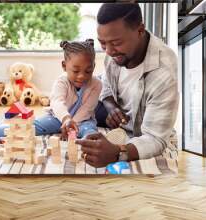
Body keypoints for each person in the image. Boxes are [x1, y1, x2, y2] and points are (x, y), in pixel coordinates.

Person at [76, 3, 179, 168]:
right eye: (103, 43)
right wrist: (112, 107)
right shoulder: (114, 53)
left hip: (138, 129)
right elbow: (107, 85)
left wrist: (118, 152)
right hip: (115, 118)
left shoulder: (163, 71)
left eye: (115, 43)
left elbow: (155, 138)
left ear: (140, 30)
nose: (108, 51)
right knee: (75, 101)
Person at [0, 39, 102, 143]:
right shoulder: (62, 82)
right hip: (57, 117)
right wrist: (66, 119)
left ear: (94, 67)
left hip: (83, 120)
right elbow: (57, 102)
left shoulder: (96, 84)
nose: (82, 76)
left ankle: (86, 142)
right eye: (76, 71)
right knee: (31, 127)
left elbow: (87, 109)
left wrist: (71, 127)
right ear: (64, 66)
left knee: (90, 129)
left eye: (88, 71)